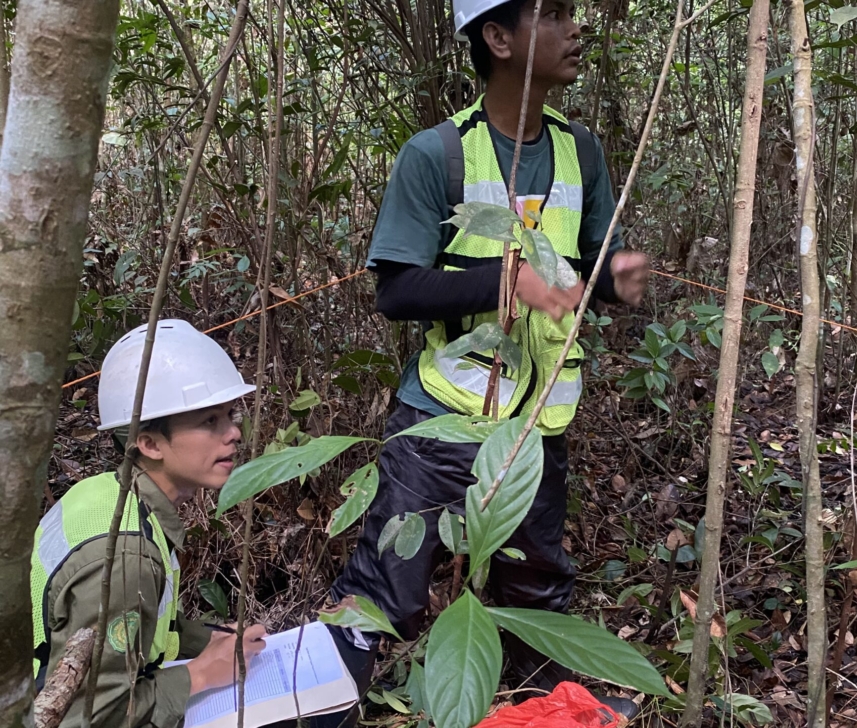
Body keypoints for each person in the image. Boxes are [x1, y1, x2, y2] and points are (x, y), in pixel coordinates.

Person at [323, 0, 652, 723]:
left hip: (534, 424)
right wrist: (508, 282)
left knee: (535, 585)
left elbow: (592, 268)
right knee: (388, 590)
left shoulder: (581, 151)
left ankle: (546, 710)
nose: (576, 29)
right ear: (499, 38)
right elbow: (397, 289)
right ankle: (323, 704)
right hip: (442, 418)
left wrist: (618, 278)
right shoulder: (436, 154)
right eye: (555, 14)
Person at [31, 320, 268, 728]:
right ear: (149, 443)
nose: (233, 433)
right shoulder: (127, 557)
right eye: (209, 421)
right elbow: (86, 717)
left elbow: (140, 632)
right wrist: (200, 674)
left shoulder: (103, 492)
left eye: (230, 415)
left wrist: (208, 639)